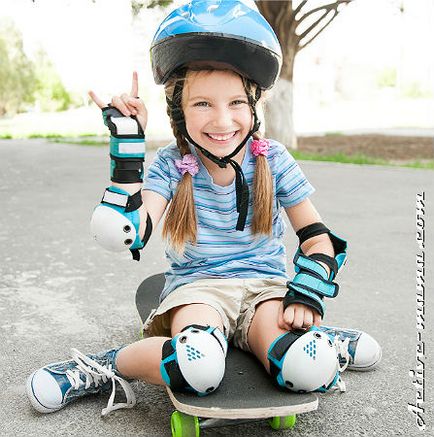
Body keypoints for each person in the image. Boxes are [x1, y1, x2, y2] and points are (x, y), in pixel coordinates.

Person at [26, 0, 382, 416]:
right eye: (202, 104)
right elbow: (128, 231)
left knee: (310, 366)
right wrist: (128, 151)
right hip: (199, 289)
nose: (222, 120)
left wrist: (306, 294)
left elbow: (318, 238)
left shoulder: (273, 159)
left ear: (253, 105)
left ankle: (316, 337)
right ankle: (107, 366)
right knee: (198, 366)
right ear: (178, 110)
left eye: (235, 103)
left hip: (265, 288)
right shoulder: (172, 165)